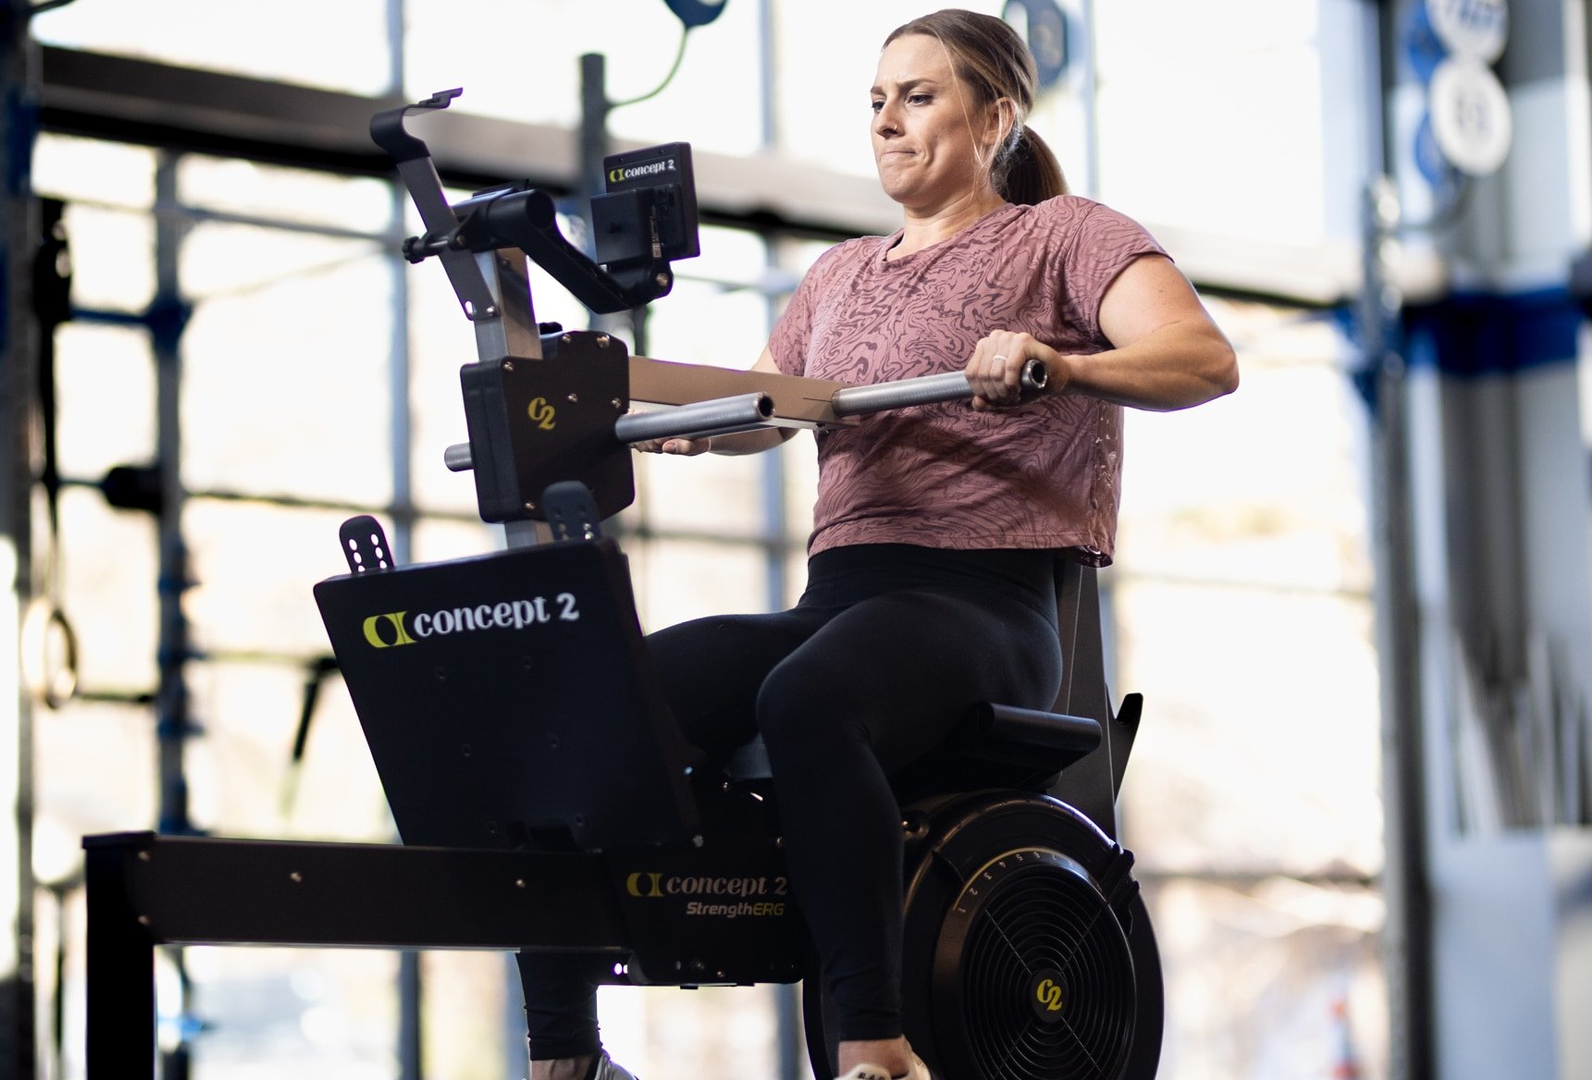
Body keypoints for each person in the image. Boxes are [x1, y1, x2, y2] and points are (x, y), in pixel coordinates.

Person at [517, 9, 1239, 1080]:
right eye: (875, 101)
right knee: (588, 713)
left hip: (986, 607)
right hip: (840, 602)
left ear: (994, 117)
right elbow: (763, 408)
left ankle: (877, 1043)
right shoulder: (839, 275)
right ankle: (568, 1056)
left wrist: (1062, 365)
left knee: (809, 698)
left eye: (919, 96)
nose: (887, 121)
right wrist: (670, 420)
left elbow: (1203, 359)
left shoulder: (1066, 236)